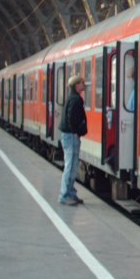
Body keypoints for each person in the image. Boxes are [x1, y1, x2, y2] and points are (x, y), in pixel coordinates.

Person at [58, 75, 87, 206]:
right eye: (82, 82)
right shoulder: (75, 100)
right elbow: (71, 118)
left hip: (69, 135)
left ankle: (70, 193)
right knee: (70, 167)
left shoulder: (72, 98)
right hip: (71, 136)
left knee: (73, 166)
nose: (84, 84)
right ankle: (64, 195)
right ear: (77, 85)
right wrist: (75, 132)